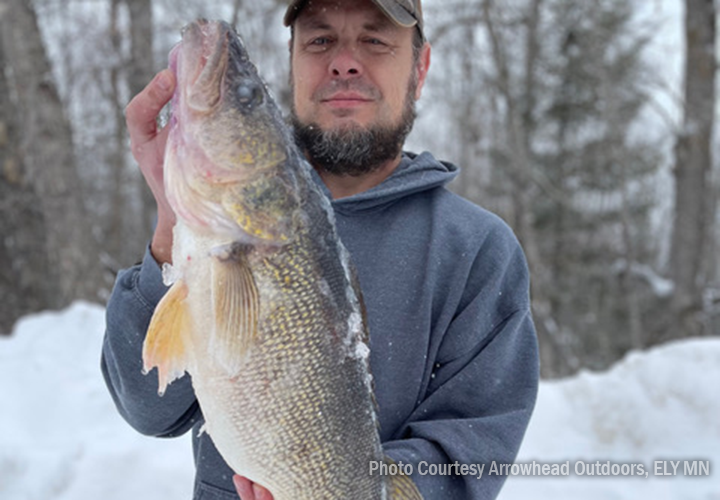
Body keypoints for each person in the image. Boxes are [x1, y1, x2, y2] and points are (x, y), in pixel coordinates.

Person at [101, 0, 540, 499]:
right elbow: (149, 409)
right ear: (292, 61)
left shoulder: (478, 250)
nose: (344, 62)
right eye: (320, 40)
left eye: (375, 40)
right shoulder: (214, 233)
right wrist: (171, 228)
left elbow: (469, 453)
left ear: (419, 67)